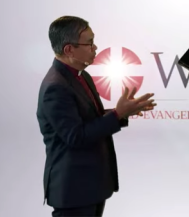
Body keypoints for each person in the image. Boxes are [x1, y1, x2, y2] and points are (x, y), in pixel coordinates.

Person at [36, 16, 156, 217]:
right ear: (69, 50)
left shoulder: (82, 75)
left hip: (91, 186)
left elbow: (91, 117)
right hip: (73, 190)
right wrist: (118, 114)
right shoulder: (56, 87)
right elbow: (76, 137)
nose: (95, 48)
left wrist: (123, 113)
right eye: (89, 43)